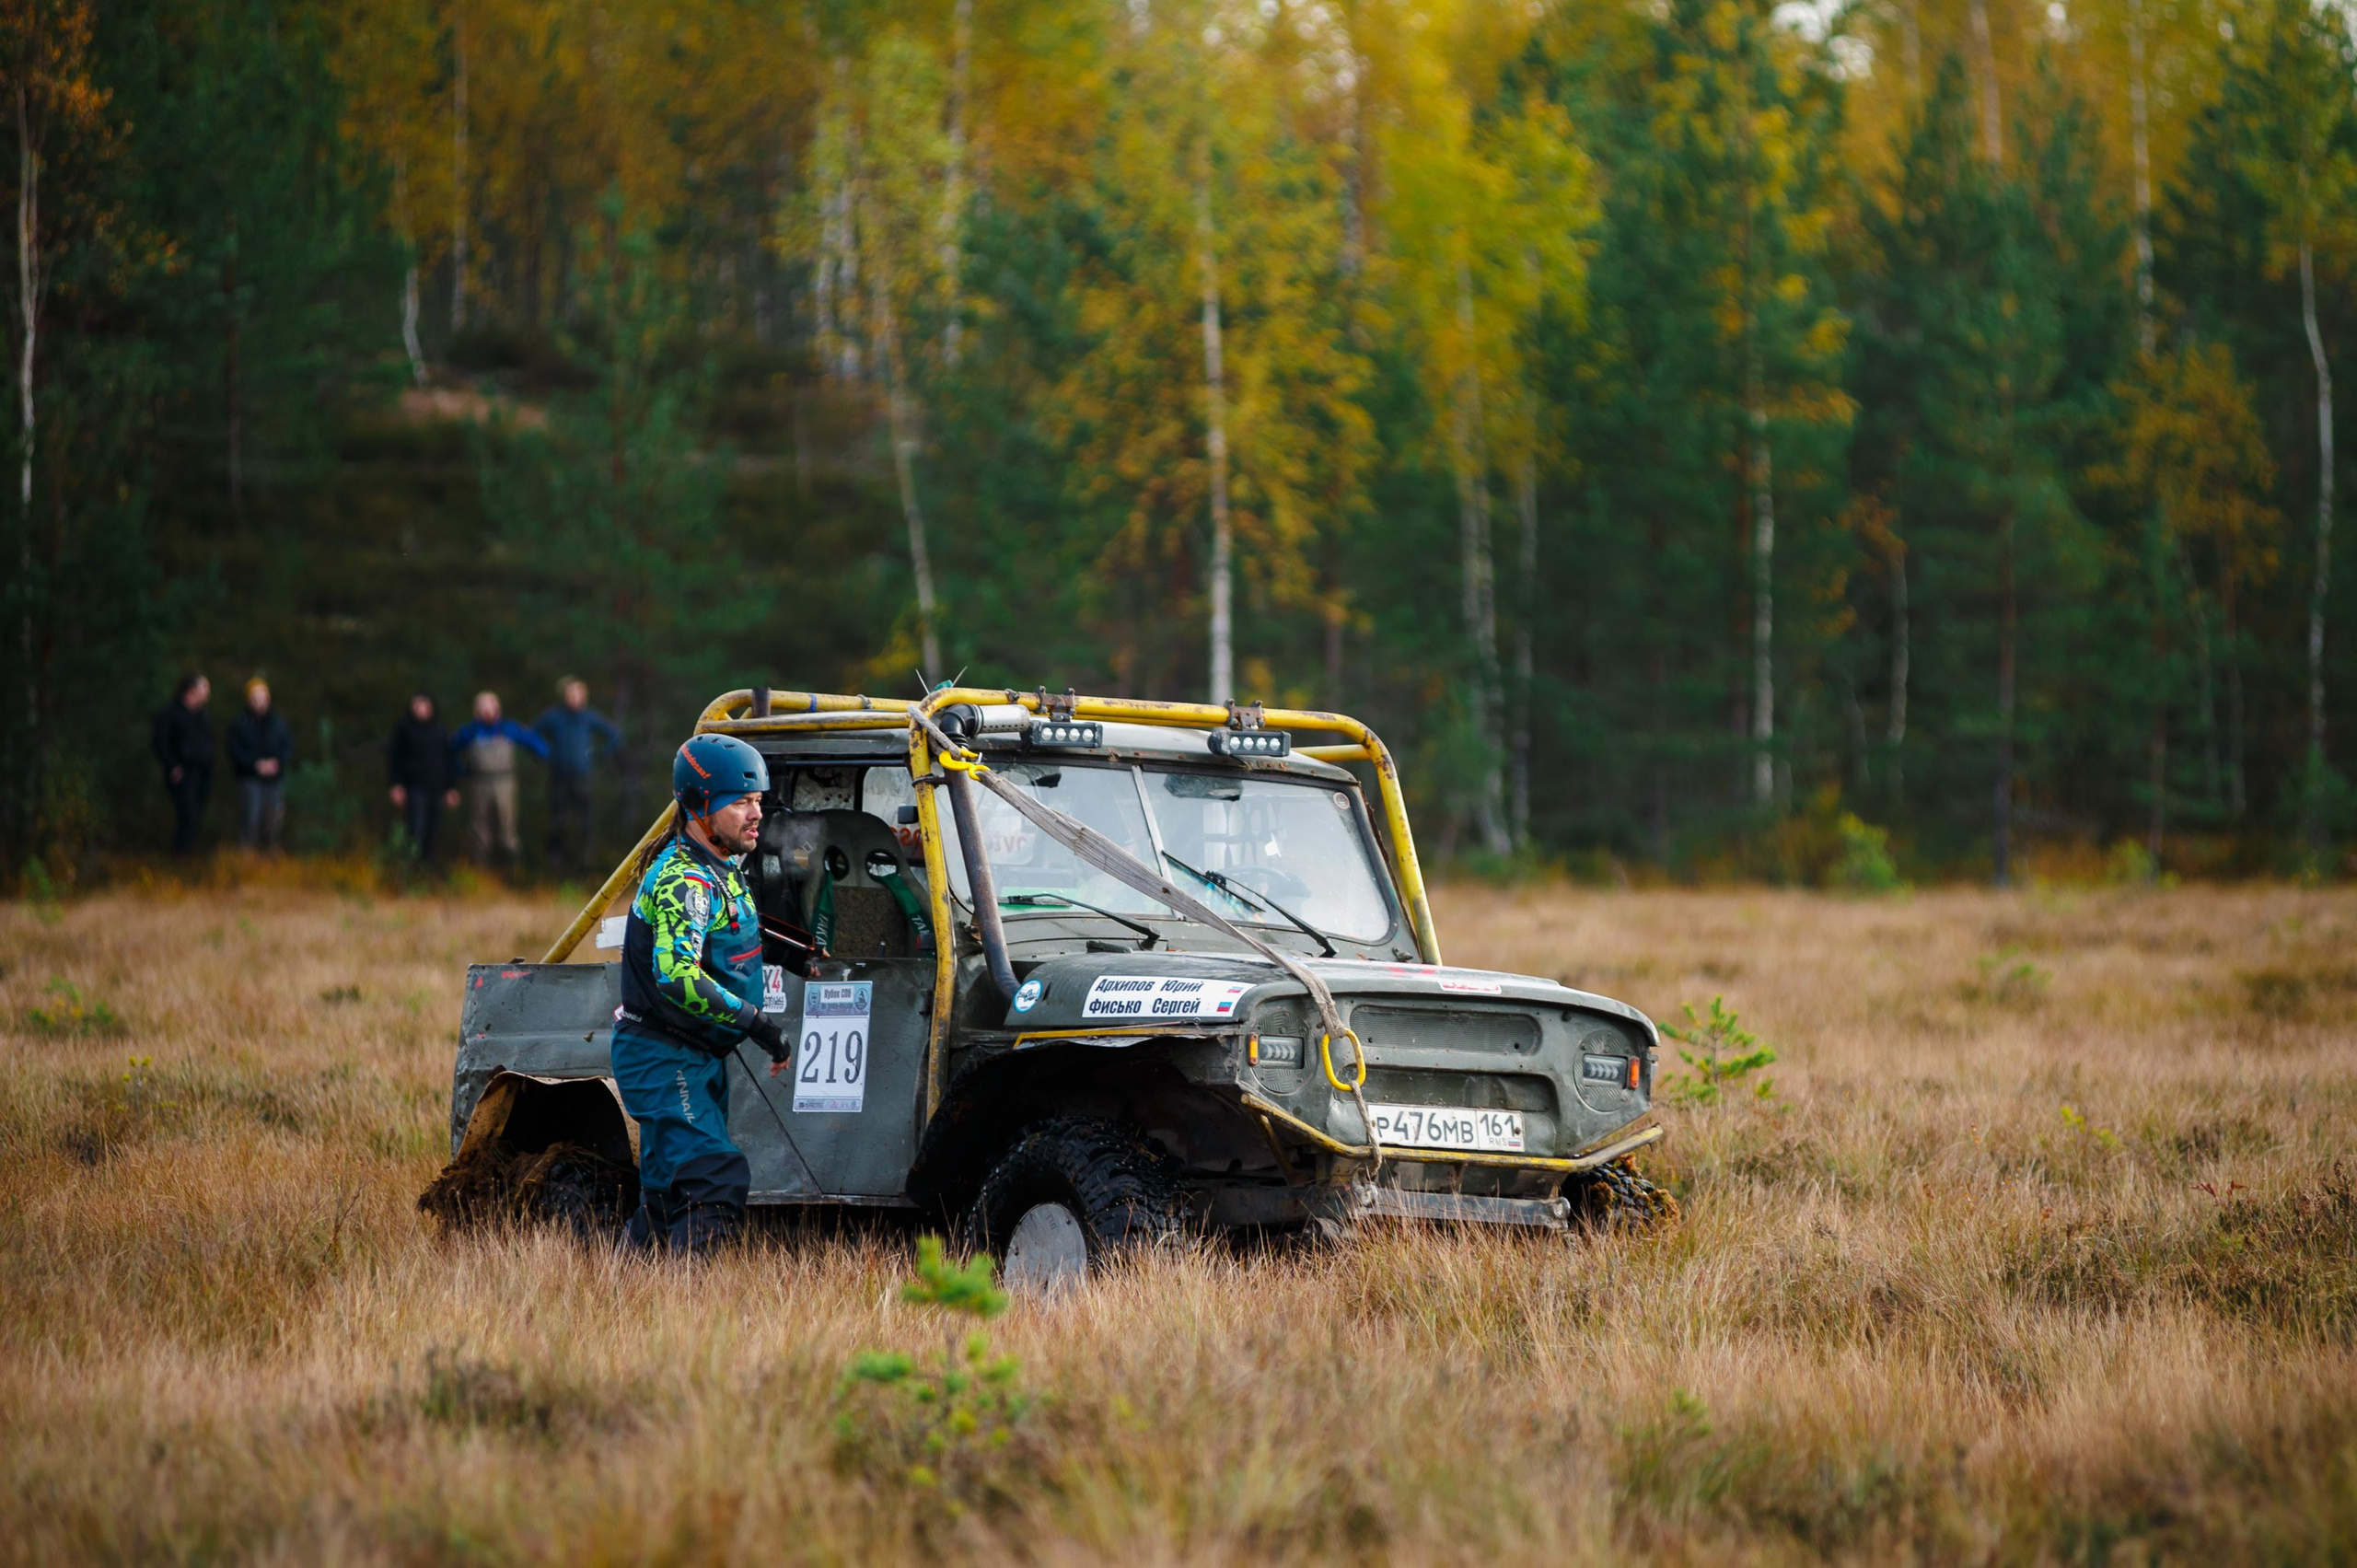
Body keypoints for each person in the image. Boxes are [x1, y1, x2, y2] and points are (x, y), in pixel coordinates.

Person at [610, 734, 791, 1253]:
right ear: (698, 808)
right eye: (740, 802)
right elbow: (676, 975)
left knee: (664, 1197)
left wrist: (801, 957)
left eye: (758, 800)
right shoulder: (685, 879)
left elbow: (731, 934)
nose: (755, 814)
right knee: (713, 1179)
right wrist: (757, 1023)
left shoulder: (723, 867)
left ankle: (627, 1285)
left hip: (696, 1056)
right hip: (664, 1056)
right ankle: (690, 1298)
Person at [446, 690, 547, 870]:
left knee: (507, 825)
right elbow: (449, 751)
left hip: (505, 782)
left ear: (498, 708)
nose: (488, 710)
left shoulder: (509, 728)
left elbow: (538, 746)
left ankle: (511, 872)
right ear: (476, 710)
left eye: (492, 705)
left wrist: (542, 759)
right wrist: (460, 771)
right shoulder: (470, 732)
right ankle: (480, 871)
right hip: (478, 782)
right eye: (484, 707)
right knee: (479, 827)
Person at [533, 677, 621, 878]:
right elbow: (531, 734)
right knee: (558, 822)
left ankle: (585, 867)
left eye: (579, 693)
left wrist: (598, 755)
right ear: (564, 695)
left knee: (585, 823)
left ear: (584, 696)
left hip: (583, 778)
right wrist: (546, 753)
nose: (575, 697)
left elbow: (614, 735)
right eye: (571, 693)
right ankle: (555, 867)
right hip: (559, 778)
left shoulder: (589, 717)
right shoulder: (554, 716)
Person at [387, 693, 459, 862]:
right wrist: (396, 784)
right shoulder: (404, 729)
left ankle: (428, 867)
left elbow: (448, 760)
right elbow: (395, 759)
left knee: (434, 830)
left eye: (424, 705)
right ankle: (410, 865)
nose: (421, 709)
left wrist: (451, 787)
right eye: (417, 705)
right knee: (416, 829)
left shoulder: (440, 730)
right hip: (414, 787)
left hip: (437, 787)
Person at [226, 678, 294, 852]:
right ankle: (247, 854)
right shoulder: (239, 724)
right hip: (249, 778)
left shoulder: (278, 723)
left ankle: (270, 853)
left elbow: (288, 747)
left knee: (274, 819)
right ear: (248, 700)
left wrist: (276, 763)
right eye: (255, 698)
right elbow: (235, 751)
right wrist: (255, 765)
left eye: (262, 697)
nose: (259, 702)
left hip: (274, 779)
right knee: (251, 816)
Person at [151, 674, 215, 855]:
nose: (208, 693)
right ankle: (180, 857)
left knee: (196, 816)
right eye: (205, 689)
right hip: (182, 773)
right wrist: (172, 765)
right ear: (191, 690)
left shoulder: (203, 716)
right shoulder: (170, 714)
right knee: (187, 815)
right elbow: (160, 742)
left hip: (202, 773)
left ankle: (188, 857)